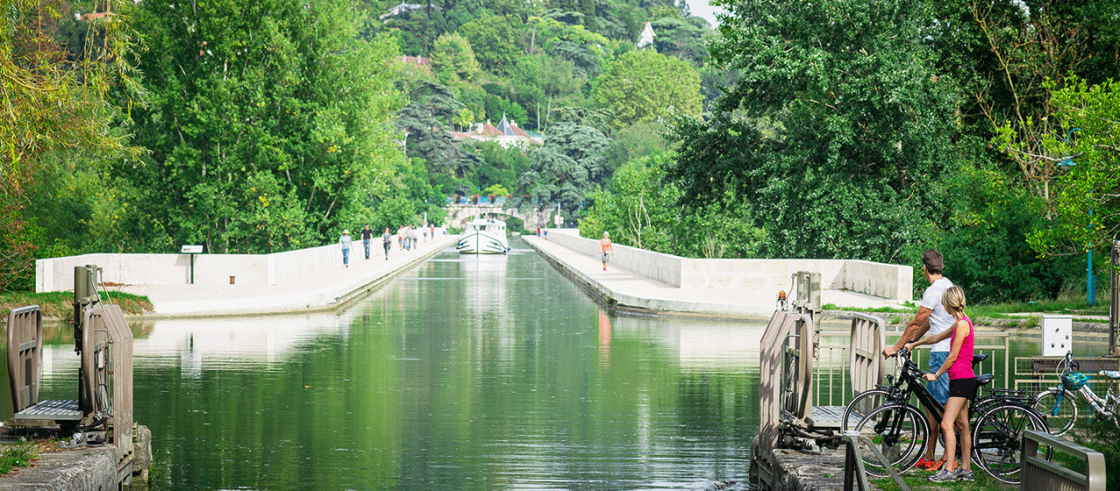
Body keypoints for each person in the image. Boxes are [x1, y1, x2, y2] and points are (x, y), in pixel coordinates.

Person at [882, 249, 954, 470]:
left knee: (941, 408)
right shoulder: (948, 285)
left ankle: (949, 457)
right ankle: (930, 455)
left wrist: (897, 346)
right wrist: (912, 342)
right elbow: (929, 322)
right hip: (941, 351)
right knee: (931, 407)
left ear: (924, 268)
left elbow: (916, 321)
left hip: (942, 354)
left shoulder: (933, 291)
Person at [905, 286, 975, 483]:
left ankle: (949, 470)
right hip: (960, 379)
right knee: (962, 425)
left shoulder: (962, 325)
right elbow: (937, 337)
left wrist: (936, 374)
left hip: (962, 379)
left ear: (948, 303)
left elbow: (952, 356)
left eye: (943, 302)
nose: (942, 305)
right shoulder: (960, 322)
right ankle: (965, 469)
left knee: (946, 423)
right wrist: (914, 343)